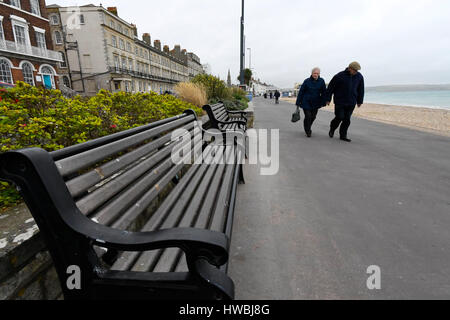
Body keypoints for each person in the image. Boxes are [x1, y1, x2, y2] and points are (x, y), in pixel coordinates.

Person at [326, 62, 365, 142]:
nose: (356, 72)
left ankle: (343, 135)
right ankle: (332, 128)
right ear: (350, 68)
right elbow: (330, 87)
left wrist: (360, 101)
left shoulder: (359, 76)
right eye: (354, 70)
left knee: (347, 119)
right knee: (339, 117)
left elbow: (361, 89)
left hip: (351, 102)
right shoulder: (339, 76)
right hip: (340, 101)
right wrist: (328, 99)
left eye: (357, 71)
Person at [295, 67, 327, 137]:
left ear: (319, 74)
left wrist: (323, 102)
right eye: (315, 73)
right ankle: (308, 130)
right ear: (312, 73)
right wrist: (298, 102)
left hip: (316, 102)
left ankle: (307, 125)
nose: (316, 75)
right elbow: (301, 92)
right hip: (306, 101)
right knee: (308, 116)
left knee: (313, 117)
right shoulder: (307, 81)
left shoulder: (321, 81)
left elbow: (324, 92)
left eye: (317, 73)